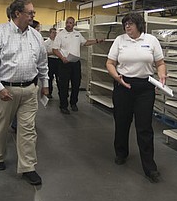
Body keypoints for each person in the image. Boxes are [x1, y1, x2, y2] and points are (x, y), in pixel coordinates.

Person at [0, 0, 49, 185]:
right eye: (30, 13)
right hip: (6, 90)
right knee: (1, 126)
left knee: (28, 129)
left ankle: (28, 166)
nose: (33, 16)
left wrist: (45, 84)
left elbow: (43, 63)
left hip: (30, 90)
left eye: (33, 13)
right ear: (17, 13)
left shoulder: (35, 36)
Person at [105, 13, 167, 183]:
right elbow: (110, 63)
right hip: (123, 85)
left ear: (139, 25)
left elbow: (160, 63)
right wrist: (117, 77)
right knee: (122, 121)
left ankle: (150, 167)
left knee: (144, 127)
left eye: (131, 24)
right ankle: (121, 153)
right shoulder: (120, 40)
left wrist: (162, 76)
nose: (127, 27)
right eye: (125, 24)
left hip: (145, 88)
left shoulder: (151, 40)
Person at [51, 16, 101, 115]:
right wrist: (62, 58)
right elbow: (55, 49)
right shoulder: (60, 35)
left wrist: (97, 41)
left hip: (75, 63)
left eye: (71, 23)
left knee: (76, 84)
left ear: (74, 24)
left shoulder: (77, 34)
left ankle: (73, 103)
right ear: (66, 24)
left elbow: (85, 42)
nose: (69, 24)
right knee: (63, 85)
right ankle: (63, 105)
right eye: (68, 23)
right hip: (64, 63)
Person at [42, 27, 60, 98]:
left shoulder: (58, 42)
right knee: (50, 77)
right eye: (53, 33)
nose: (54, 34)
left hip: (58, 60)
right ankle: (49, 92)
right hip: (50, 60)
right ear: (50, 33)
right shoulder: (46, 43)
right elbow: (44, 53)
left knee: (59, 78)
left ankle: (61, 93)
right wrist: (52, 52)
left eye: (55, 33)